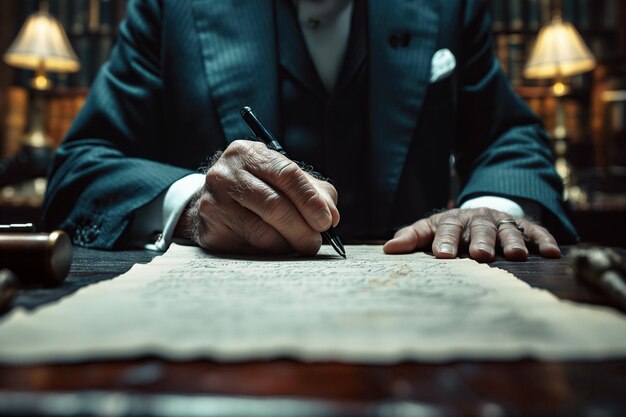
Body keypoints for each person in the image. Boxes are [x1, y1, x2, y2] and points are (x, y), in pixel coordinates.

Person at [42, 0, 577, 262]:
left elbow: (513, 141)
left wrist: (491, 208)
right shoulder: (172, 8)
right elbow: (83, 166)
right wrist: (191, 206)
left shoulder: (447, 7)